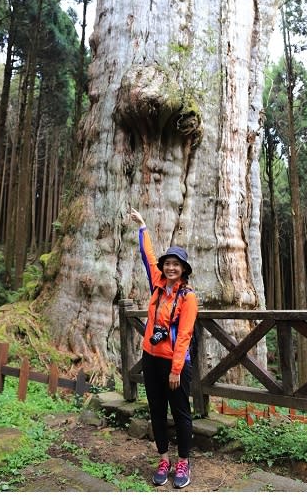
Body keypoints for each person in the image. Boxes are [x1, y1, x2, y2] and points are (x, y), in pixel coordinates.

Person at [129, 208, 198, 489]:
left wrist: (176, 369)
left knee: (180, 413)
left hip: (175, 363)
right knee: (156, 410)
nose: (170, 268)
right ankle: (163, 458)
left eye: (176, 264)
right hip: (151, 358)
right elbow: (147, 258)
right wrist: (143, 227)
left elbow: (184, 335)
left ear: (183, 270)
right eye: (168, 263)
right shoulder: (157, 286)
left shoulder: (188, 297)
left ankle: (183, 462)